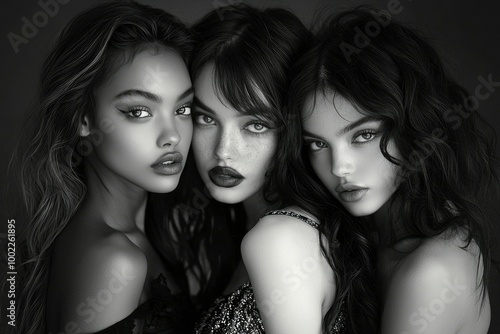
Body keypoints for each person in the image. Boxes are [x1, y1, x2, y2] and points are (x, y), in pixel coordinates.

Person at [162, 4, 377, 333]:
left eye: (256, 125)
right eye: (205, 118)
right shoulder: (274, 232)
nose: (223, 151)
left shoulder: (279, 241)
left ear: (293, 127)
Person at [289, 7, 499, 334]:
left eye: (364, 135)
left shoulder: (429, 273)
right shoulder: (376, 233)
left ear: (412, 124)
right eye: (318, 144)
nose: (339, 167)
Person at [14, 2, 195, 333]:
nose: (172, 136)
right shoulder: (114, 260)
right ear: (84, 120)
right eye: (139, 111)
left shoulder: (142, 236)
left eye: (183, 109)